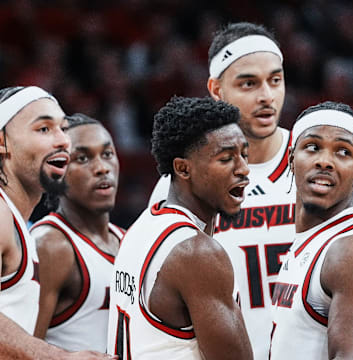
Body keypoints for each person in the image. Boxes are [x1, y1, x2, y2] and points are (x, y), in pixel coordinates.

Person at [148, 22, 294, 359]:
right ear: (216, 89)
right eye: (248, 83)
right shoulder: (181, 183)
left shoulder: (317, 168)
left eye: (275, 80)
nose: (266, 96)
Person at [107, 96, 253, 359]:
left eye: (244, 154)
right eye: (226, 158)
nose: (243, 169)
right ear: (183, 169)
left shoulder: (142, 225)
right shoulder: (197, 254)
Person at [0, 86, 117, 360]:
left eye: (63, 128)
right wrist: (58, 357)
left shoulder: (18, 222)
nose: (64, 141)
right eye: (44, 129)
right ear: (2, 142)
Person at [270, 101, 353, 359]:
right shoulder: (313, 240)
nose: (325, 162)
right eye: (312, 147)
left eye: (343, 152)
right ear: (290, 160)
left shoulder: (349, 249)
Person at [30, 113, 124, 352]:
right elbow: (23, 350)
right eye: (82, 158)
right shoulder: (50, 245)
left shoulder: (129, 240)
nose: (102, 168)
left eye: (107, 154)